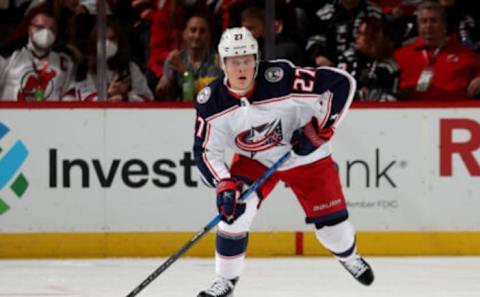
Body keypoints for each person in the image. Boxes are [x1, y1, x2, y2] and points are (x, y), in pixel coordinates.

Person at [193, 27, 374, 297]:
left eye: (246, 59)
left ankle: (349, 256)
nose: (241, 67)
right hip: (255, 160)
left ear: (256, 59)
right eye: (234, 61)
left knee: (334, 232)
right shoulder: (212, 102)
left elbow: (341, 84)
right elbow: (206, 151)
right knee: (235, 212)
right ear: (223, 63)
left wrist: (319, 130)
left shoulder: (280, 78)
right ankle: (225, 281)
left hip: (306, 156)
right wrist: (224, 183)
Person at [394, 1, 480, 100]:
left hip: (453, 110)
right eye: (424, 21)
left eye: (433, 21)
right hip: (409, 111)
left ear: (444, 25)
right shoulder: (400, 56)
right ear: (418, 26)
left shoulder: (464, 54)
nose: (428, 26)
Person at [0, 5, 76, 101]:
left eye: (52, 29)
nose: (46, 33)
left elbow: (69, 97)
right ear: (29, 30)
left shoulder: (65, 62)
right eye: (40, 27)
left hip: (51, 115)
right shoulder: (8, 57)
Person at [74, 21, 153, 102]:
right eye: (103, 39)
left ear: (119, 42)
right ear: (94, 42)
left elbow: (147, 98)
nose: (108, 44)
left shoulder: (130, 67)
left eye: (112, 39)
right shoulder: (84, 68)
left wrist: (125, 97)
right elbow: (84, 100)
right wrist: (109, 94)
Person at [155, 12, 221, 101]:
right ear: (184, 34)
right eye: (193, 30)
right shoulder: (175, 59)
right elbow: (162, 91)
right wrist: (166, 83)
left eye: (202, 31)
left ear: (209, 36)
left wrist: (184, 72)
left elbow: (208, 93)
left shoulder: (216, 61)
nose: (197, 36)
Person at [305, 0, 384, 67]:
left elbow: (380, 44)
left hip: (364, 65)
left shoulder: (374, 12)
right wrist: (318, 55)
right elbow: (314, 39)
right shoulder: (326, 12)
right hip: (330, 65)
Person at [337, 18, 399, 101]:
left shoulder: (388, 67)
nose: (357, 37)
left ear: (373, 38)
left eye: (361, 33)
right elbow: (338, 90)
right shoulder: (348, 59)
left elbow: (390, 98)